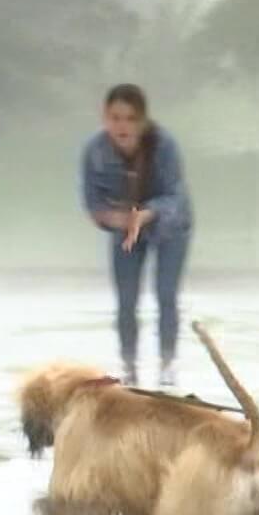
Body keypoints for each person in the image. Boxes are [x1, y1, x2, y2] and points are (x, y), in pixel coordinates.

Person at [79, 84, 193, 387]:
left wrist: (146, 214)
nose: (122, 126)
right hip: (124, 226)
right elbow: (92, 203)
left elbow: (176, 197)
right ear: (104, 118)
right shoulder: (95, 151)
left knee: (166, 295)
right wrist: (115, 218)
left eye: (130, 119)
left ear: (142, 121)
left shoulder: (164, 145)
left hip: (169, 226)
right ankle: (129, 368)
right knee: (126, 300)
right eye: (115, 118)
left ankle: (168, 367)